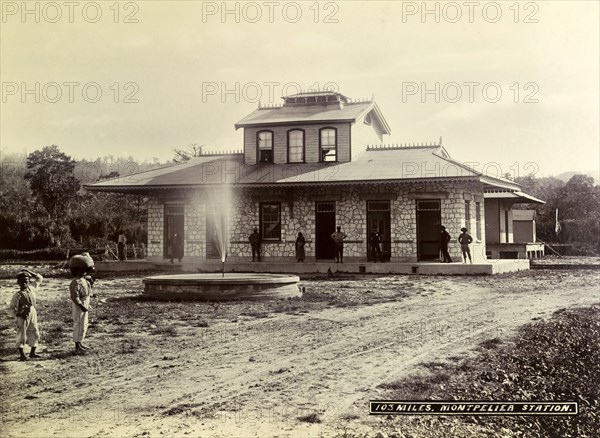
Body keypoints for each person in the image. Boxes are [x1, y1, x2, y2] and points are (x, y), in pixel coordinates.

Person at [10, 269, 43, 361]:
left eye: (26, 281)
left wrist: (29, 271)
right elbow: (12, 309)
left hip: (32, 311)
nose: (24, 283)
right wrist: (18, 314)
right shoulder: (17, 295)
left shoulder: (32, 289)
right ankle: (22, 354)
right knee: (21, 333)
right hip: (22, 315)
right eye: (22, 281)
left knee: (34, 330)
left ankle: (33, 352)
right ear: (18, 283)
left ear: (29, 282)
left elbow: (40, 278)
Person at [69, 254, 94, 354]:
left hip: (85, 303)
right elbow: (74, 296)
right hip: (80, 305)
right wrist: (81, 305)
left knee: (84, 324)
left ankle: (80, 342)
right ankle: (77, 345)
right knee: (78, 324)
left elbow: (88, 292)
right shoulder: (75, 282)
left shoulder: (84, 280)